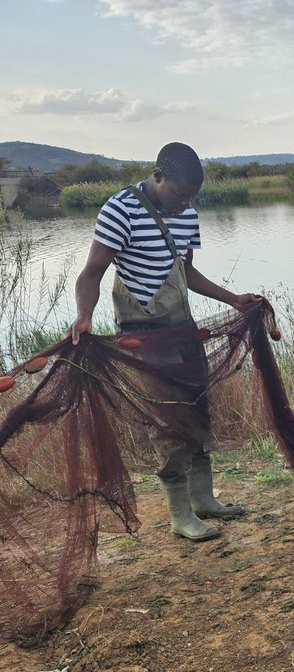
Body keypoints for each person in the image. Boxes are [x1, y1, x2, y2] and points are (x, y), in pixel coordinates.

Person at [71, 141, 258, 541]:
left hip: (182, 326)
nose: (183, 204)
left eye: (190, 197)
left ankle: (204, 500)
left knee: (197, 408)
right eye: (178, 194)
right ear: (158, 176)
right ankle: (180, 516)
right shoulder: (120, 209)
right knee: (169, 418)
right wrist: (84, 316)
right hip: (143, 337)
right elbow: (91, 274)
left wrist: (232, 298)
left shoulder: (186, 212)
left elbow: (185, 273)